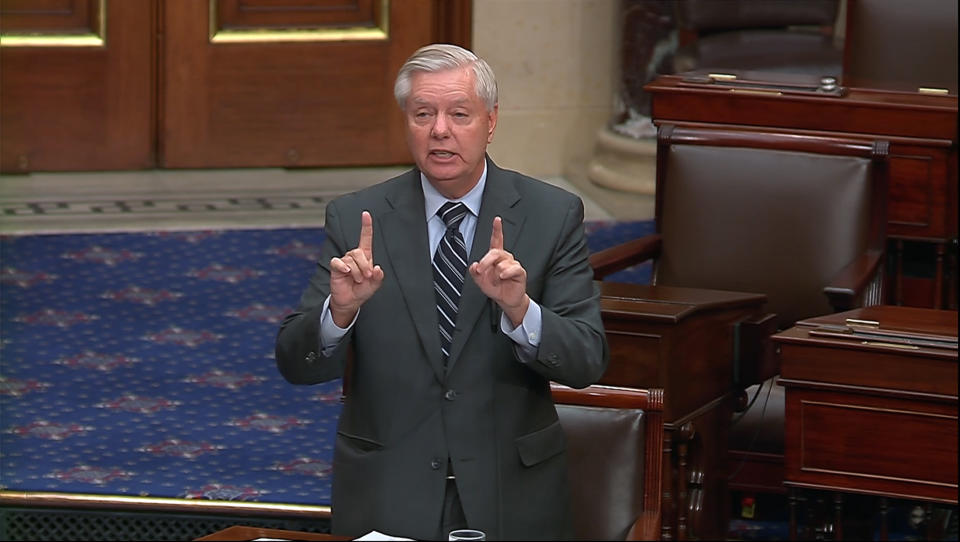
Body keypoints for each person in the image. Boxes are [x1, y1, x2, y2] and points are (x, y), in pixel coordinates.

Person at [275, 43, 608, 541]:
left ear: (491, 122)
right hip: (388, 492)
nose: (440, 131)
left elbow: (587, 362)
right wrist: (338, 314)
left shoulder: (551, 214)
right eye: (423, 114)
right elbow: (296, 363)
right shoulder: (357, 219)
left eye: (459, 114)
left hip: (510, 494)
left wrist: (520, 310)